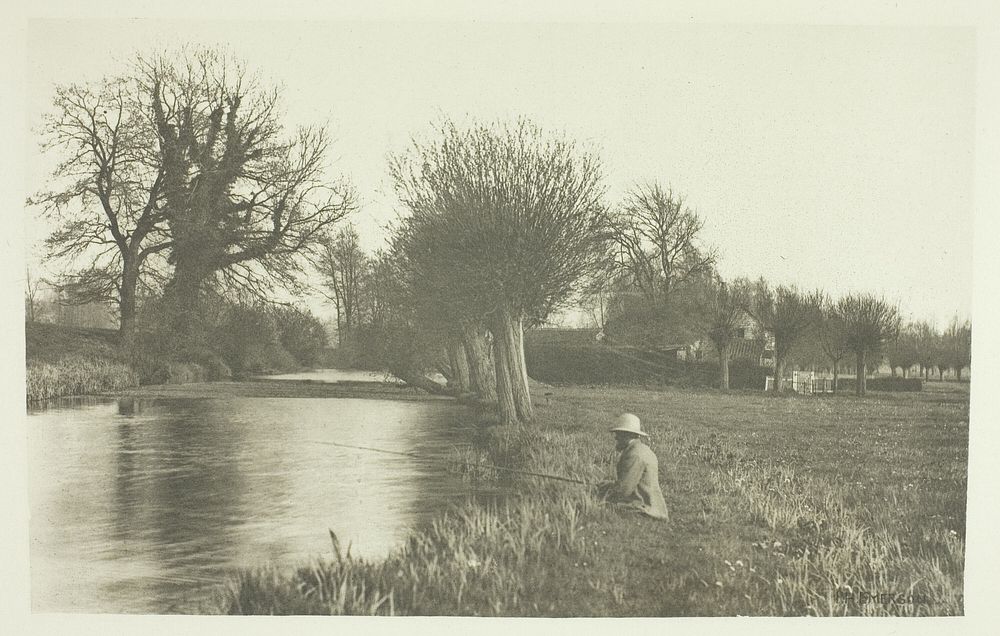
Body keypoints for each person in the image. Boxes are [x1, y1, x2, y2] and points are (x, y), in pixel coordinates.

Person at [597, 413, 669, 521]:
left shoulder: (634, 455)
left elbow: (623, 491)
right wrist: (608, 485)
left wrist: (604, 491)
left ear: (627, 435)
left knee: (597, 503)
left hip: (645, 509)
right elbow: (632, 484)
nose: (616, 438)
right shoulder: (642, 449)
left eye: (618, 434)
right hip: (653, 506)